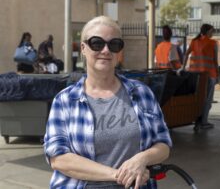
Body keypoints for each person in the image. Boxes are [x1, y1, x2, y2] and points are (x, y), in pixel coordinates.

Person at [43, 16, 172, 189]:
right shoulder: (65, 101)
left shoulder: (142, 93)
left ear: (119, 51)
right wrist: (118, 175)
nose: (106, 50)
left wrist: (142, 159)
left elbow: (163, 144)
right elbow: (58, 159)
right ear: (83, 48)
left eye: (114, 44)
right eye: (97, 43)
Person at [181, 24, 219, 129]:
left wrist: (183, 68)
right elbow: (215, 61)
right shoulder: (212, 43)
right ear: (207, 32)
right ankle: (204, 122)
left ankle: (198, 120)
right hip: (209, 75)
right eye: (212, 31)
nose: (213, 33)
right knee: (207, 100)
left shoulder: (194, 41)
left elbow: (186, 54)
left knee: (198, 99)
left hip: (195, 76)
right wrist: (218, 75)